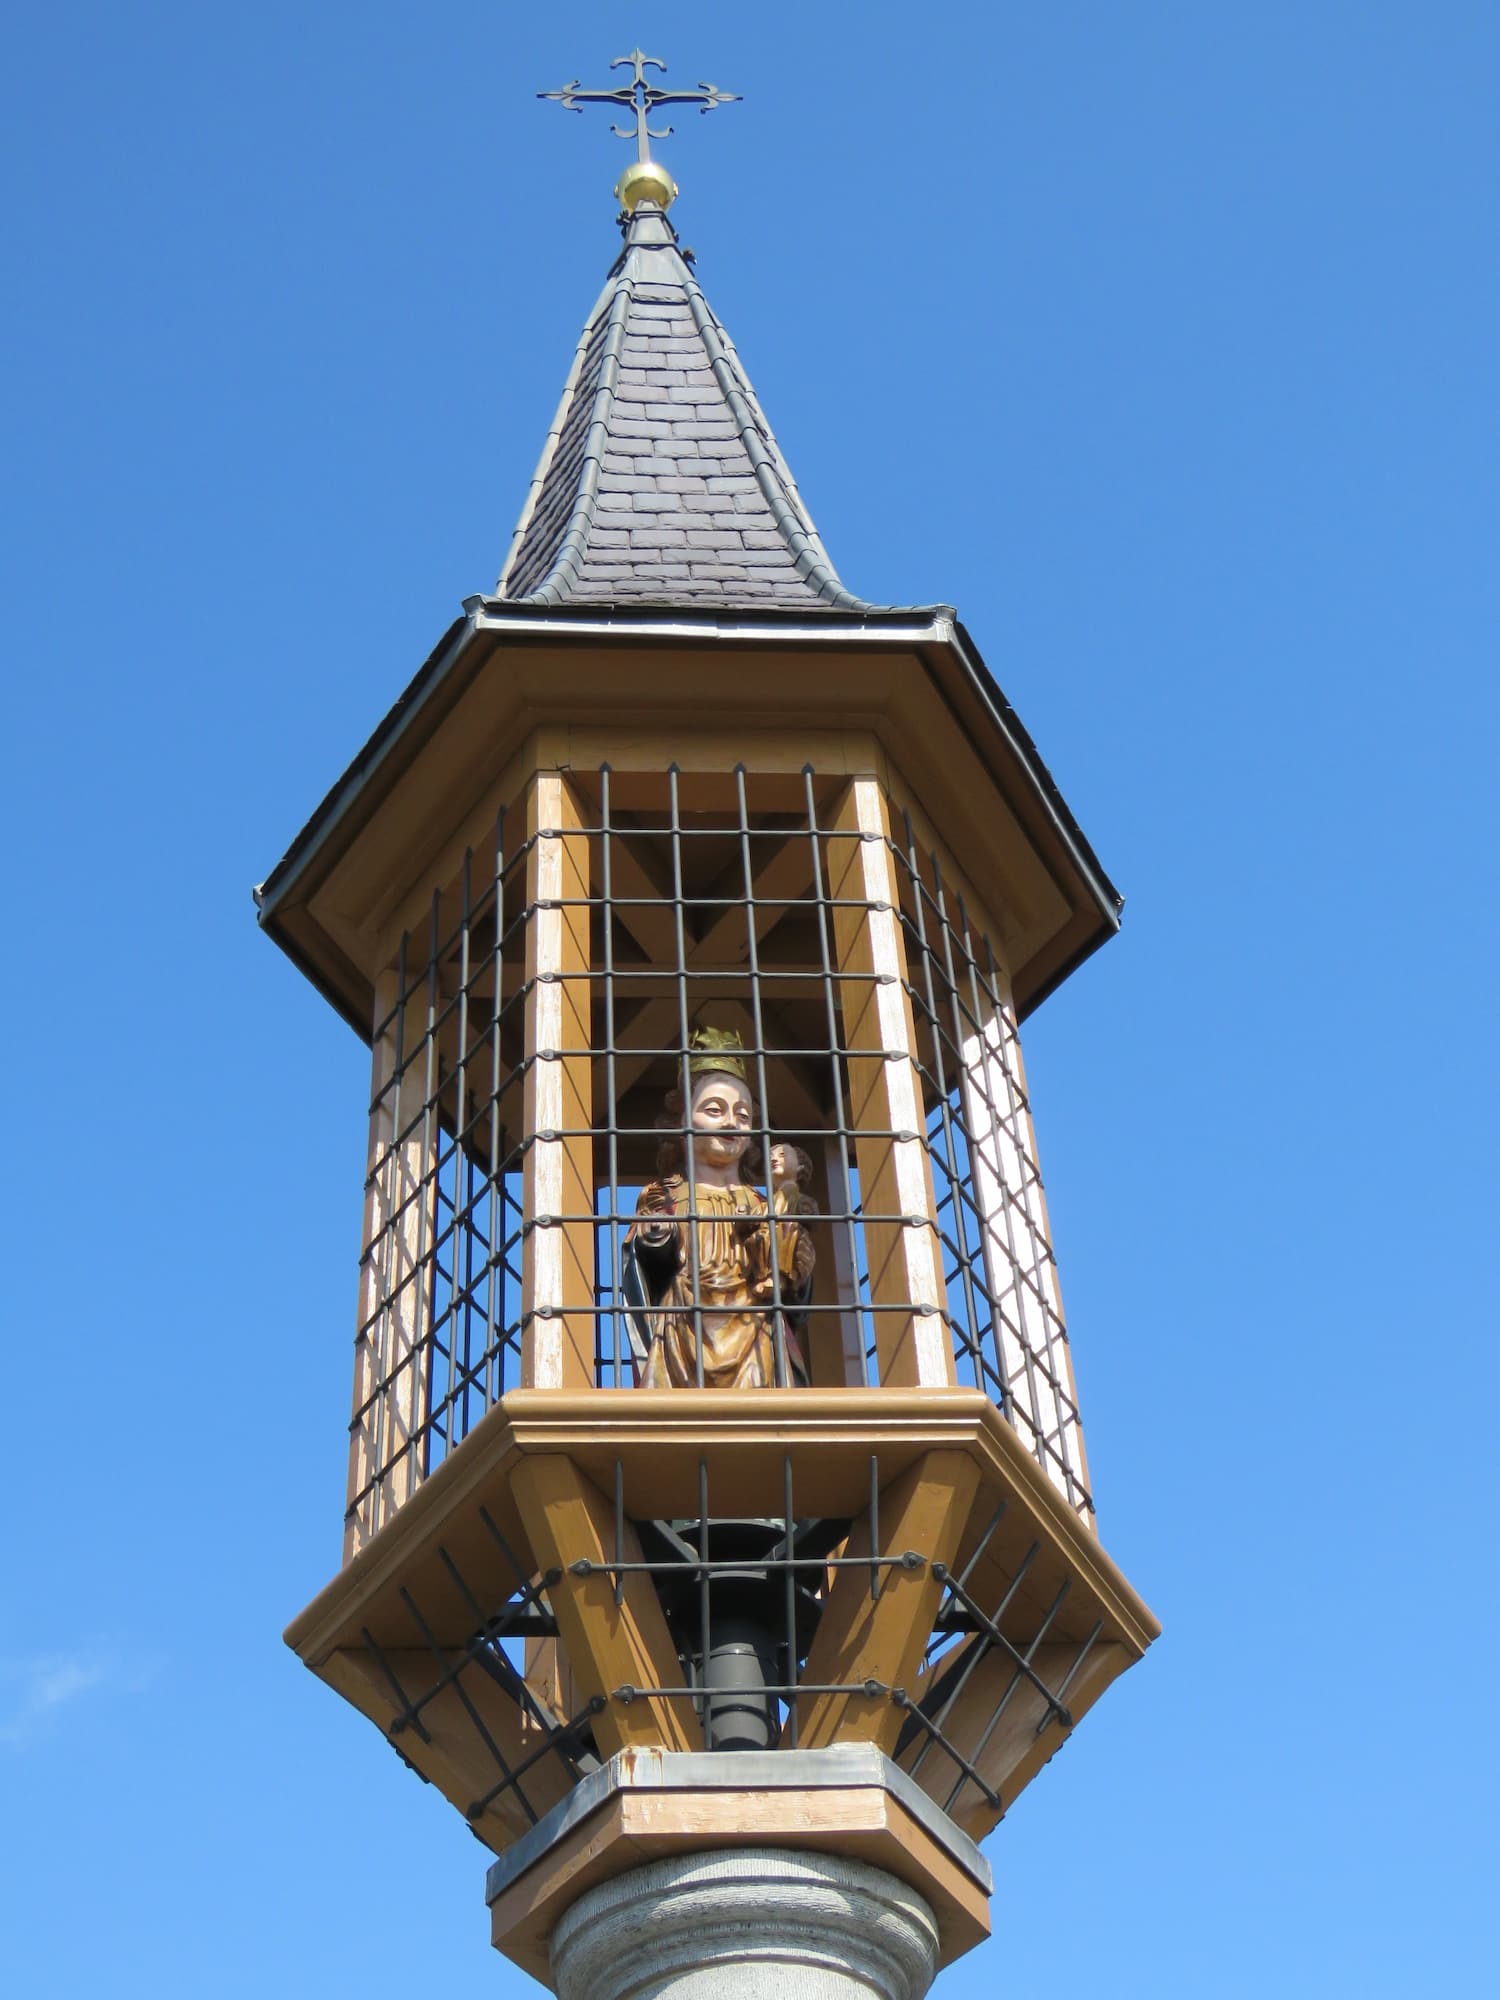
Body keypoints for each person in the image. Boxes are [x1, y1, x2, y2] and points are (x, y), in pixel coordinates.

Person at [626, 1031, 813, 1389]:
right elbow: (641, 1270)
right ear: (682, 1121)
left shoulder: (763, 1204)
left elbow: (794, 1293)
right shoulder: (665, 1197)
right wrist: (655, 1238)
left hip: (754, 1331)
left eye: (742, 1115)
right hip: (682, 1329)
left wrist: (794, 1257)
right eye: (714, 1110)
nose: (730, 1122)